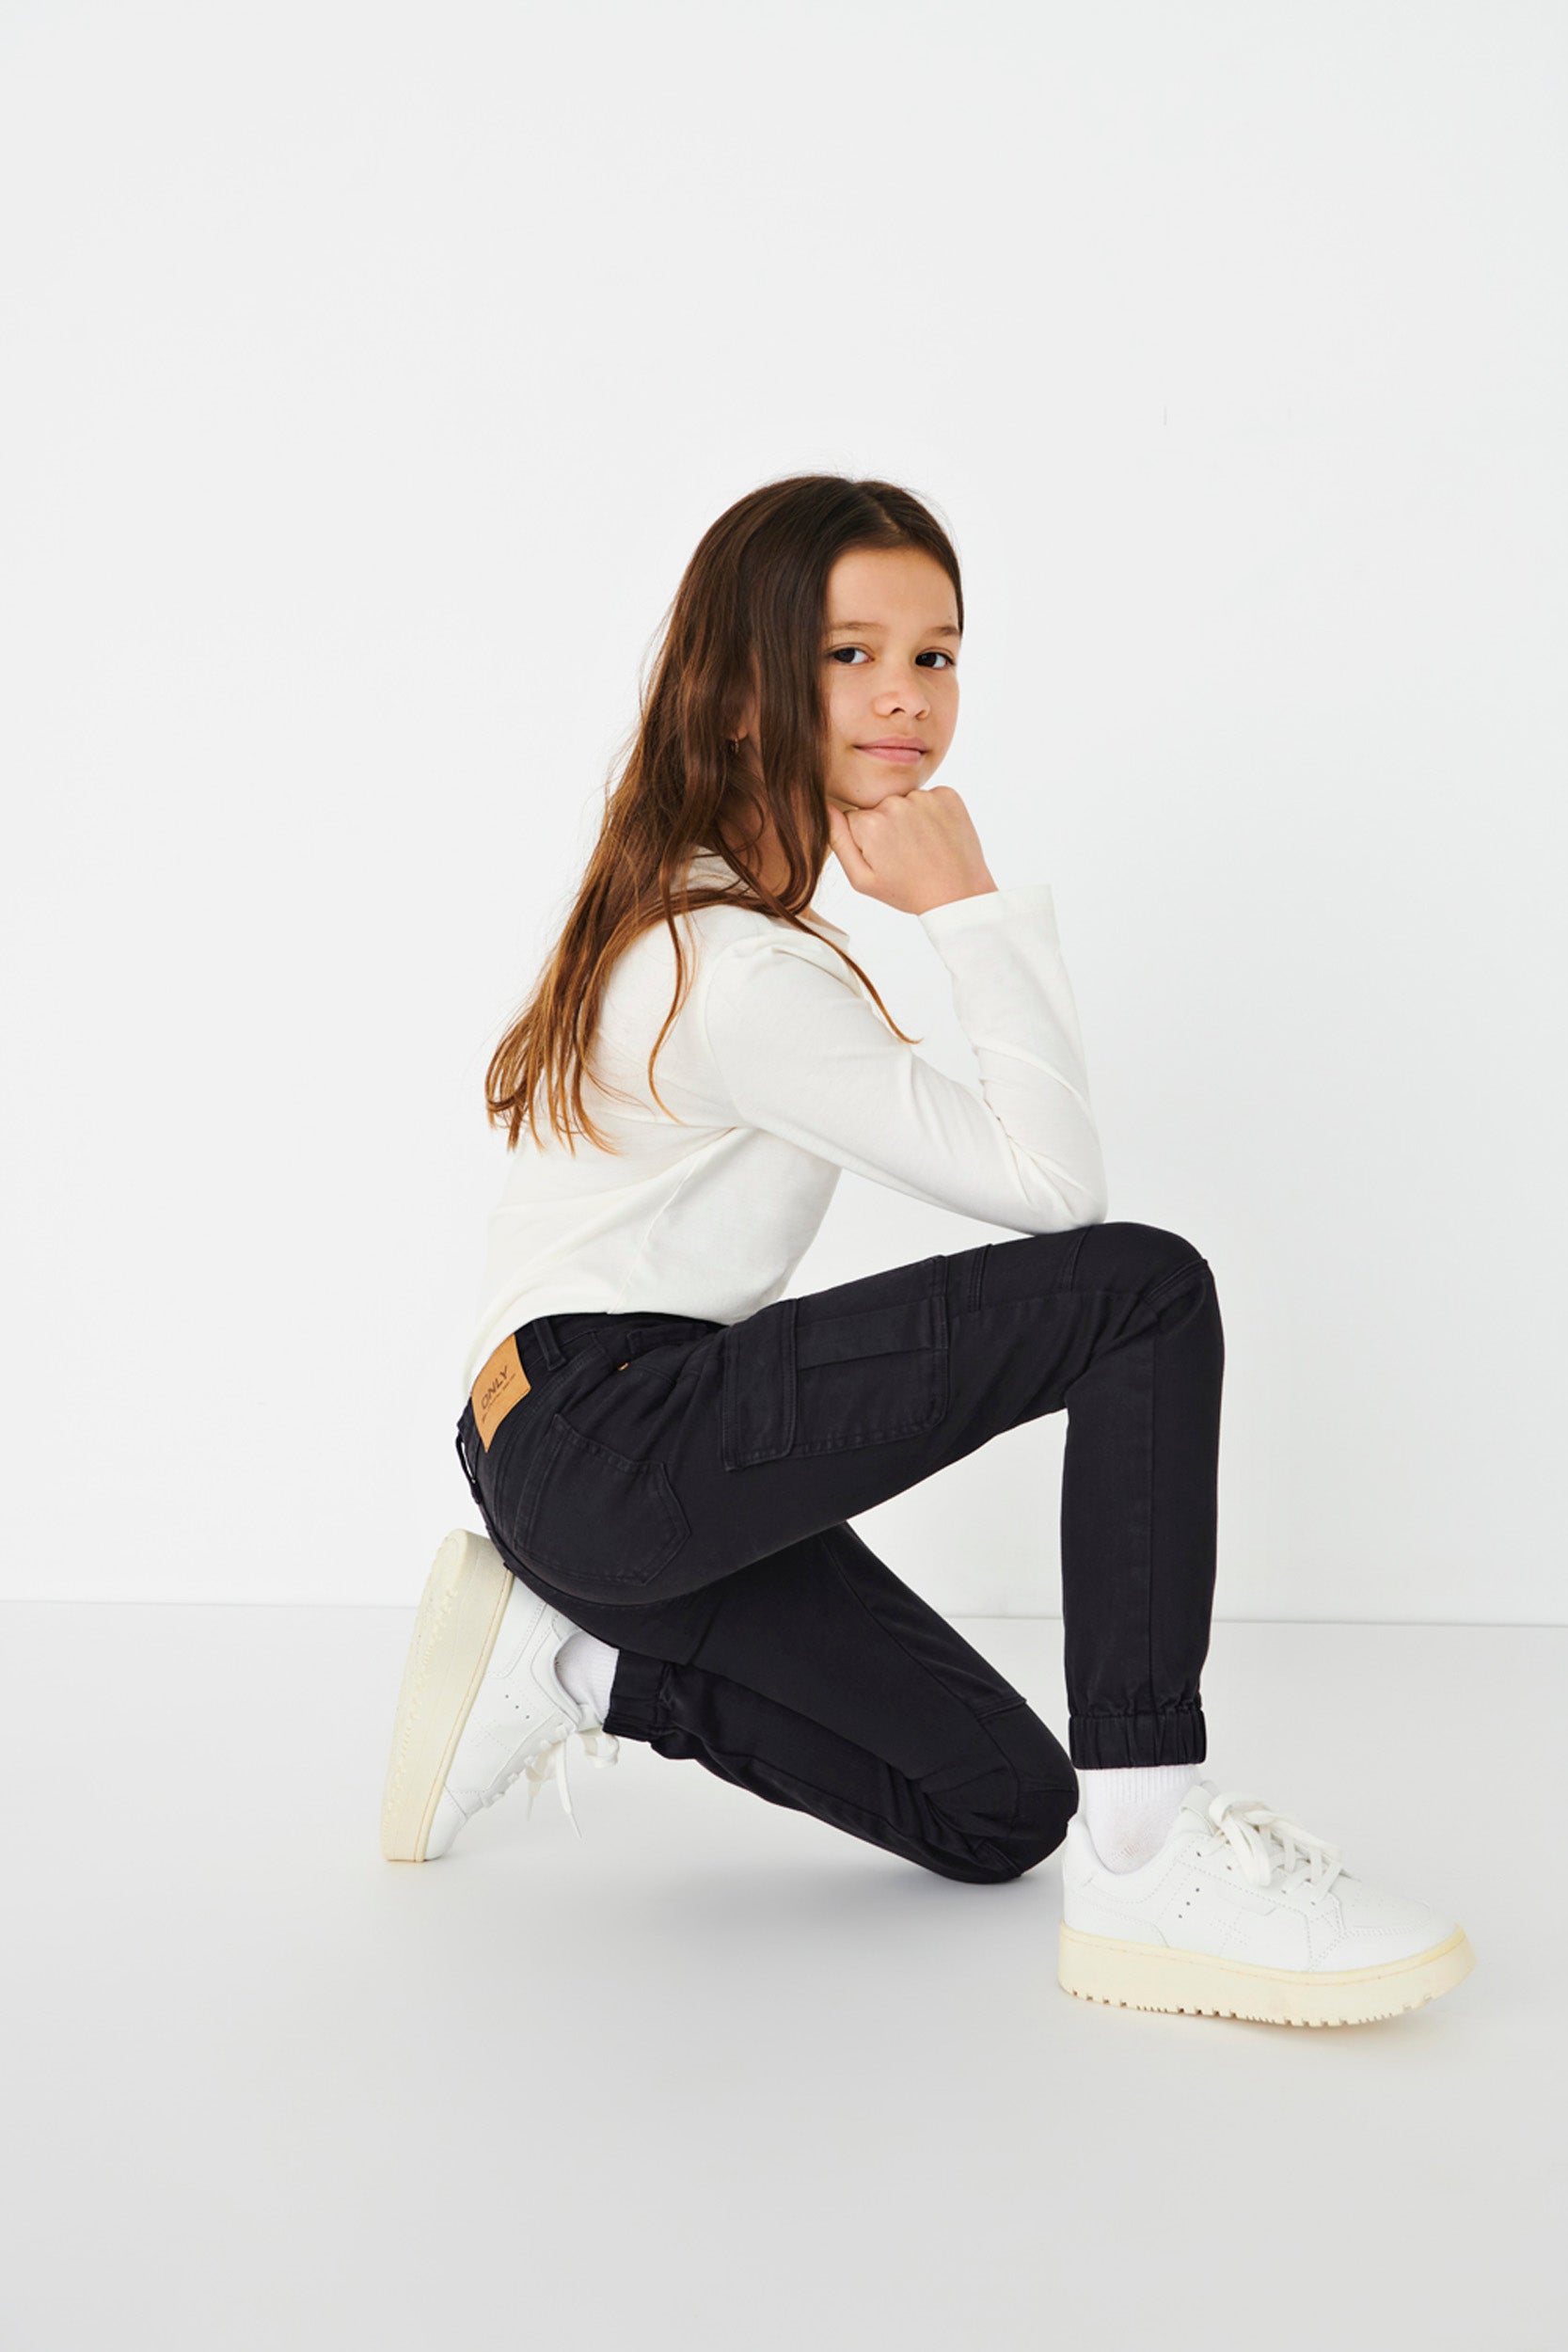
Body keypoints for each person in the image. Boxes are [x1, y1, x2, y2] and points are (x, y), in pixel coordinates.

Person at [380, 473, 1475, 2028]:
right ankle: (1152, 1856)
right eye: (850, 654)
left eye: (936, 655)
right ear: (741, 688)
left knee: (998, 1811)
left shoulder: (712, 924)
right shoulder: (735, 969)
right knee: (1143, 1292)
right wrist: (970, 909)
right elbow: (1057, 1194)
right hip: (613, 1432)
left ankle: (572, 1665)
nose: (905, 692)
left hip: (583, 1467)